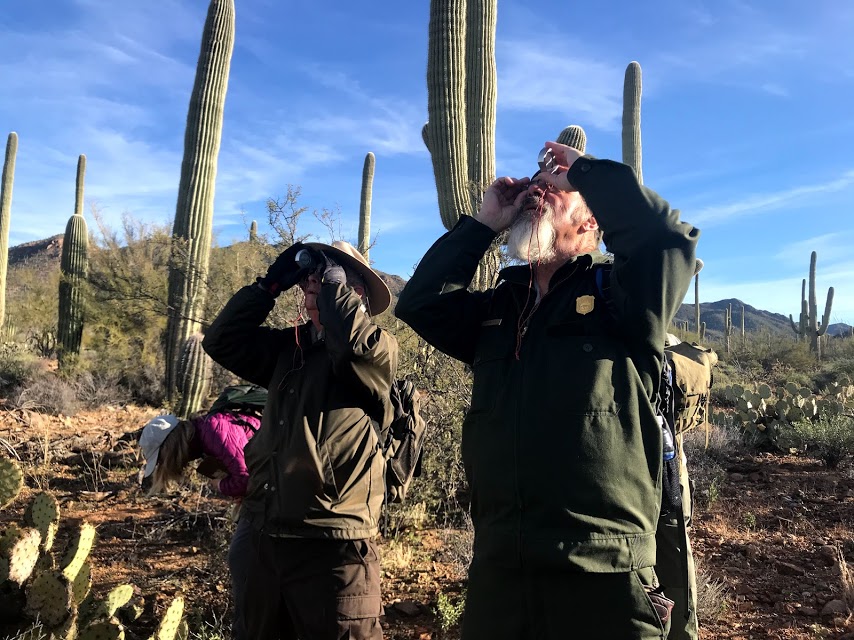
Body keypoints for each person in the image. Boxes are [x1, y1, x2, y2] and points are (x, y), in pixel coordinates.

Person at [395, 140, 699, 639]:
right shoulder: (500, 307)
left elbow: (665, 238)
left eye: (556, 192)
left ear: (591, 225)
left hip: (604, 568)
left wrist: (582, 172)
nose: (540, 191)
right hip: (501, 567)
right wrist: (484, 222)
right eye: (536, 188)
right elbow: (422, 303)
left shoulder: (622, 298)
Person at [202, 240, 397, 640]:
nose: (315, 280)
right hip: (263, 536)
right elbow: (222, 341)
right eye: (313, 275)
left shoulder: (376, 351)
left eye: (332, 274)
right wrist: (267, 288)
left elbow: (355, 347)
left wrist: (332, 286)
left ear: (354, 292)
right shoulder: (288, 349)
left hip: (333, 546)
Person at [139, 408, 261, 640]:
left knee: (242, 559)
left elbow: (245, 478)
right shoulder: (206, 435)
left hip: (280, 496)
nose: (165, 465)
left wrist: (221, 486)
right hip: (270, 496)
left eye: (162, 458)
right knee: (243, 560)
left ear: (170, 447)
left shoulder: (213, 430)